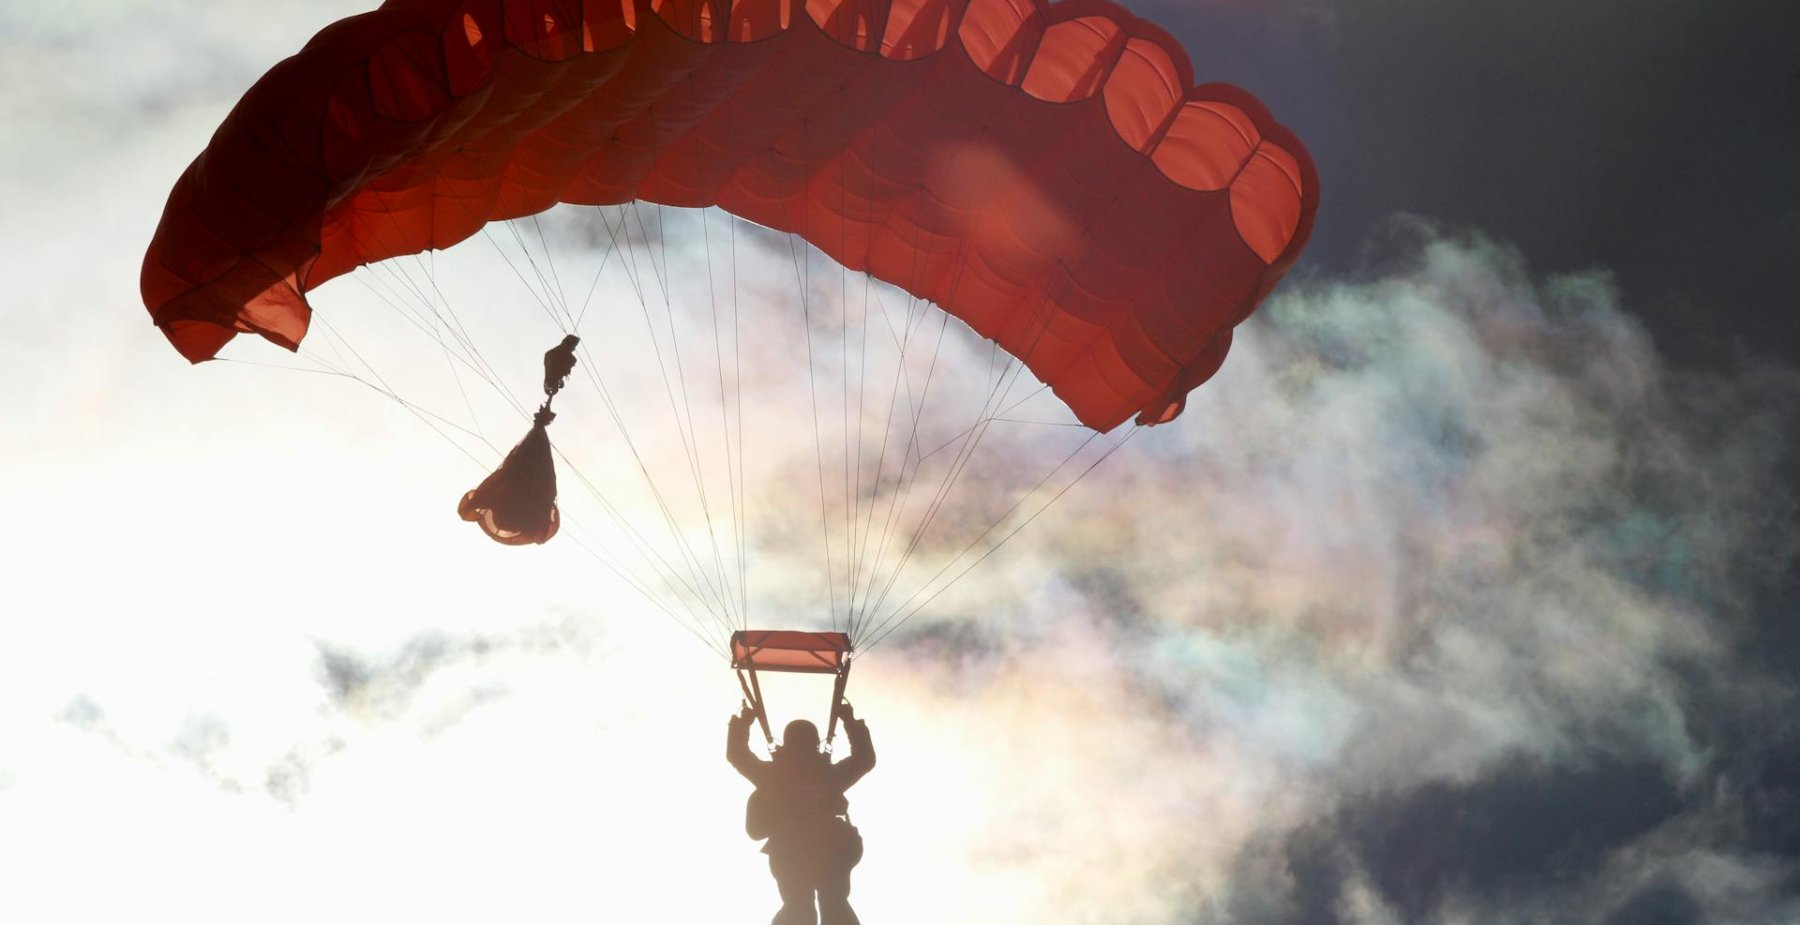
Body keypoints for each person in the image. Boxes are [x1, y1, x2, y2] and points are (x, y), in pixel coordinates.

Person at [728, 701, 875, 925]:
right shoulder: (827, 774)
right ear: (816, 744)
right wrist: (850, 722)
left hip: (796, 851)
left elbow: (737, 755)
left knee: (801, 907)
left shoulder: (772, 776)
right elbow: (865, 760)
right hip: (825, 849)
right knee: (831, 903)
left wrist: (743, 722)